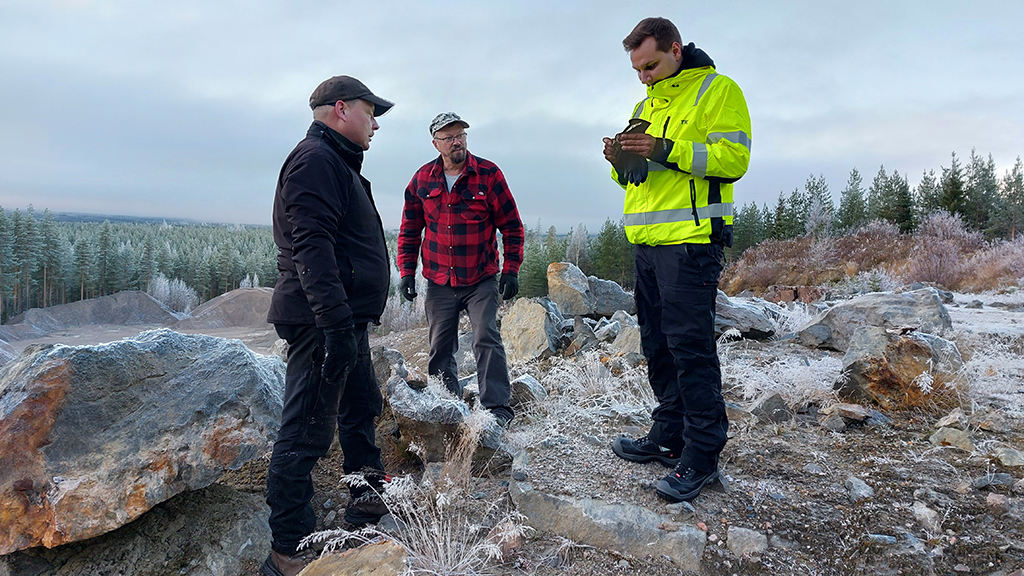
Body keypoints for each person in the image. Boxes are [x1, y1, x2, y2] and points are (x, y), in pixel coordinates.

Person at [603, 17, 752, 502]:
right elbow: (637, 182)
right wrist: (620, 163)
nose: (643, 76)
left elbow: (733, 159)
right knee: (657, 344)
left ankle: (703, 453)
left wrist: (666, 148)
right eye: (637, 70)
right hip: (647, 244)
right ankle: (668, 435)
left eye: (650, 65)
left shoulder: (718, 89)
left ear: (675, 49)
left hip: (691, 243)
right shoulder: (644, 105)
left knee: (690, 349)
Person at [263, 75, 394, 576]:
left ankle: (366, 501)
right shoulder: (315, 161)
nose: (375, 122)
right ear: (340, 109)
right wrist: (336, 328)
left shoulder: (335, 161)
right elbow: (310, 249)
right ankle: (289, 549)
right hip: (321, 321)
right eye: (370, 111)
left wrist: (347, 325)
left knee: (360, 407)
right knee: (306, 430)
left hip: (343, 320)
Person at [397, 112, 524, 426]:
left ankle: (497, 411)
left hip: (480, 278)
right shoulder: (421, 180)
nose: (457, 142)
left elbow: (512, 226)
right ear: (436, 143)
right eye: (449, 137)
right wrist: (406, 272)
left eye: (461, 135)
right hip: (439, 280)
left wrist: (511, 269)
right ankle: (447, 408)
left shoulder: (488, 174)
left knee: (486, 337)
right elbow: (410, 231)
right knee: (440, 347)